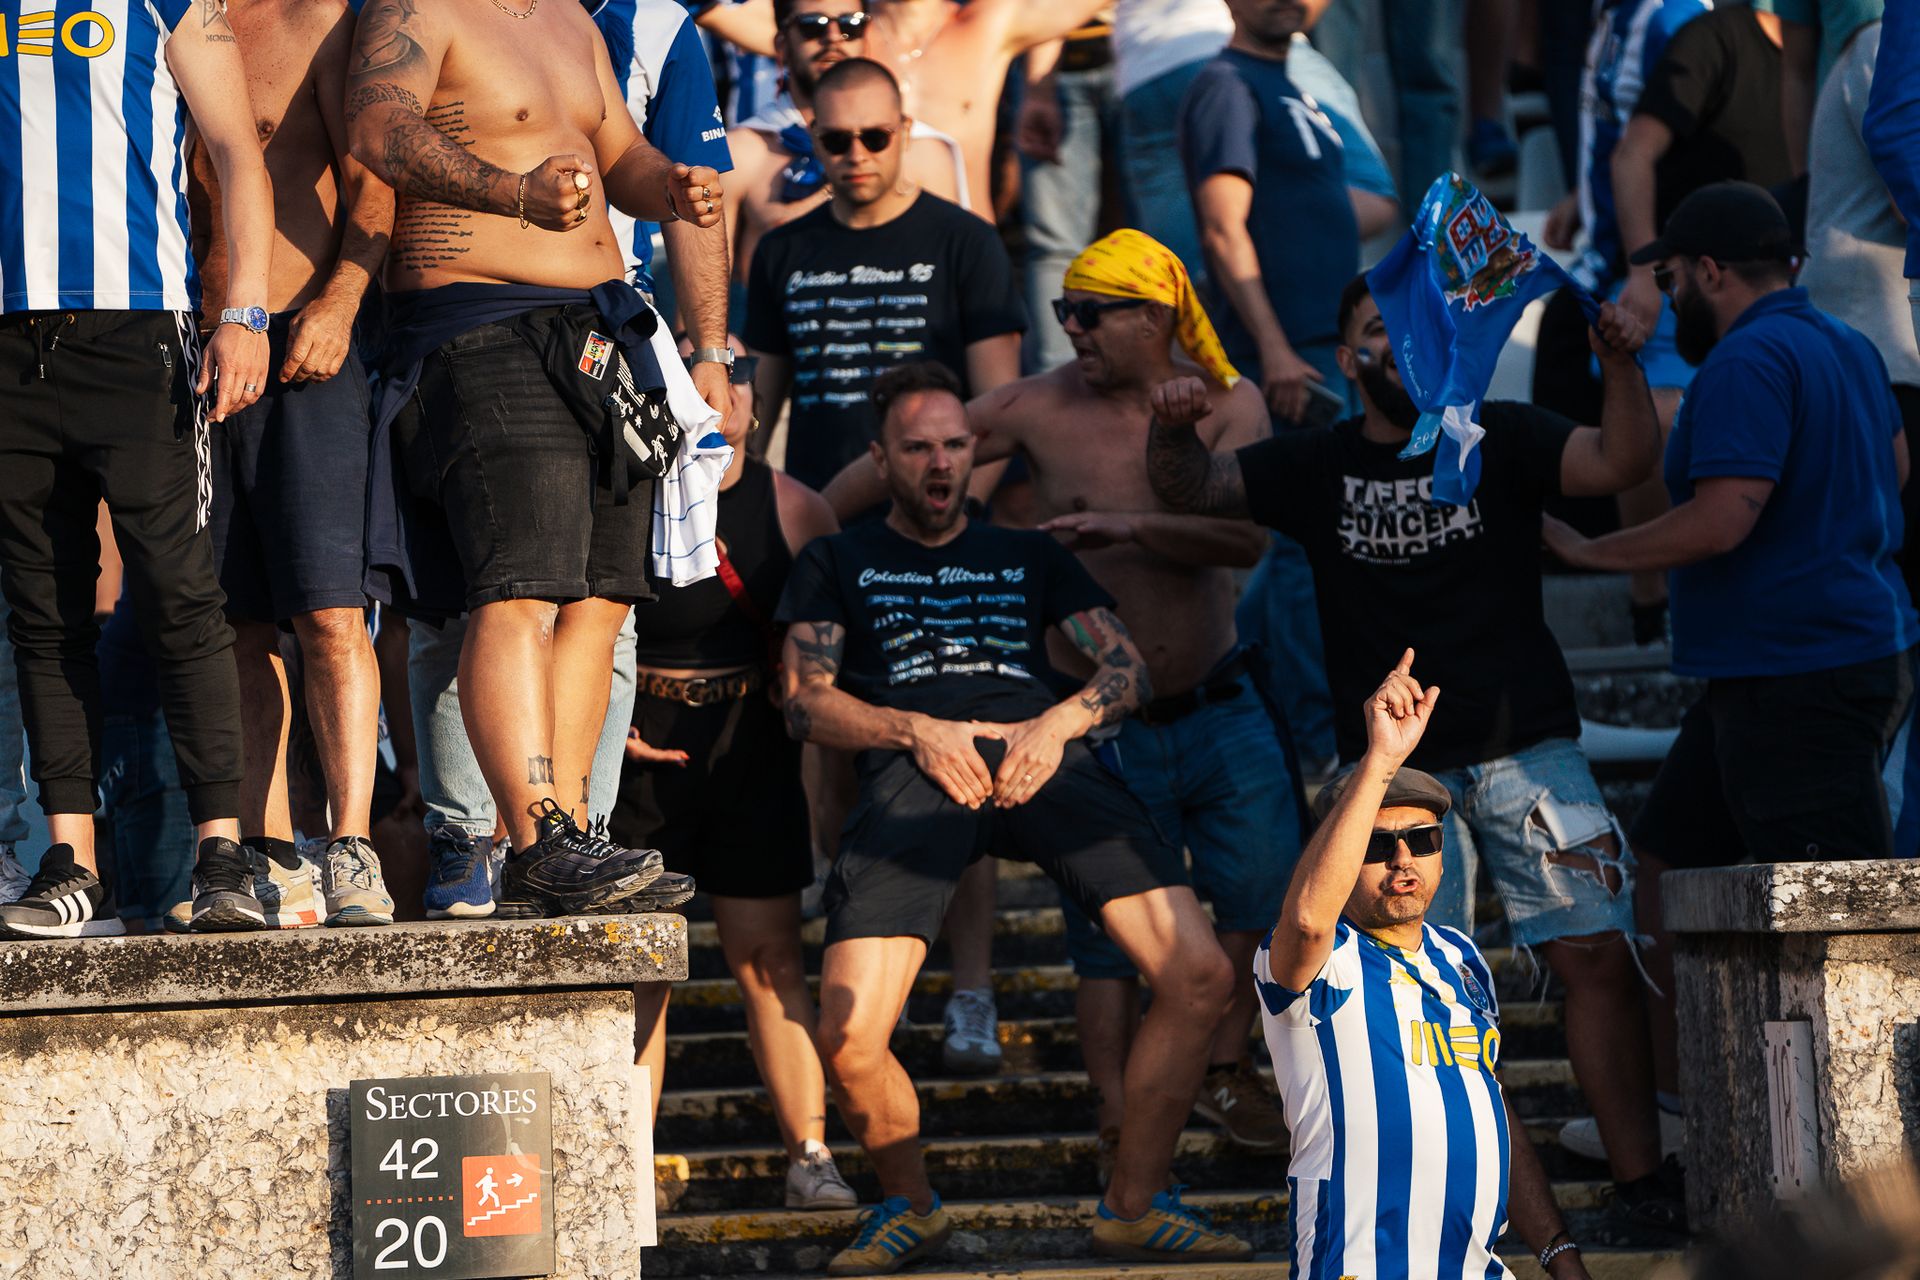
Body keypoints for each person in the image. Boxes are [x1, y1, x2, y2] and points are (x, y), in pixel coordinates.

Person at [1145, 275, 1689, 1232]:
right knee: (1420, 995)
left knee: (1598, 955)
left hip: (1531, 750)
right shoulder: (1316, 462)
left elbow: (1622, 459)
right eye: (1376, 333)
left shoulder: (1503, 434)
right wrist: (1173, 424)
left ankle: (1643, 1183)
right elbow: (1194, 485)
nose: (1401, 349)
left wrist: (1619, 362)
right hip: (1394, 780)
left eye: (1418, 332)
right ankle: (1469, 1200)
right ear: (1348, 356)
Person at [822, 228, 1298, 1158]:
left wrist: (1130, 524)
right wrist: (793, 522)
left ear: (1153, 315)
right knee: (1103, 948)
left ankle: (1222, 1070)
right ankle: (1116, 1114)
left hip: (1216, 696)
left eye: (1091, 312)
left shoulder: (1230, 404)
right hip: (1090, 719)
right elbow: (913, 456)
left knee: (1258, 902)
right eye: (1062, 310)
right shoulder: (1038, 407)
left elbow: (1247, 546)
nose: (1072, 328)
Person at [777, 362, 1252, 1273]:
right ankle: (911, 1207)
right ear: (881, 459)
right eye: (917, 448)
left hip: (1044, 751)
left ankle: (1134, 1206)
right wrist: (913, 728)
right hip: (918, 765)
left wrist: (1060, 720)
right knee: (847, 1035)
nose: (941, 463)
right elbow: (805, 703)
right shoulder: (839, 559)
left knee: (1198, 975)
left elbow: (1127, 673)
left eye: (956, 444)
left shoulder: (1028, 551)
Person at [1543, 180, 1918, 1148]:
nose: (1668, 301)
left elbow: (1723, 517)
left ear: (1709, 270)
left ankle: (1868, 1163)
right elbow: (1899, 467)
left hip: (1800, 673)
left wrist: (1589, 554)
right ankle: (1676, 1110)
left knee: (1839, 920)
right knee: (1664, 864)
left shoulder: (1748, 360)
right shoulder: (1847, 345)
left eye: (1670, 280)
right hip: (1796, 667)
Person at [344, 0, 724, 916]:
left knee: (600, 600)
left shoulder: (571, 20)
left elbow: (615, 152)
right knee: (519, 590)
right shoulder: (417, 7)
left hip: (597, 329)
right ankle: (531, 834)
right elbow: (377, 128)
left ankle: (576, 835)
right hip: (478, 324)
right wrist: (510, 194)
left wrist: (668, 184)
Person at [0, 0, 271, 940]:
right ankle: (69, 862)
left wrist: (245, 312)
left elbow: (236, 147)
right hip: (7, 339)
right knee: (42, 609)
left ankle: (223, 854)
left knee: (179, 593)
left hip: (139, 328)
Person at [1257, 651, 1598, 1280]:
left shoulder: (1461, 958)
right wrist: (1380, 761)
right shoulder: (1318, 958)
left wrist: (1557, 1251)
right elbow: (1308, 918)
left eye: (1424, 839)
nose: (1403, 858)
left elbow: (1488, 1104)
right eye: (1376, 844)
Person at [617, 335, 857, 1211]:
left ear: (757, 401)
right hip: (642, 749)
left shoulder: (796, 507)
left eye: (738, 381)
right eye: (700, 380)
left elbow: (824, 650)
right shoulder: (631, 491)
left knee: (770, 961)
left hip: (749, 744)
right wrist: (609, 724)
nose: (722, 397)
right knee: (644, 969)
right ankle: (630, 1166)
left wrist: (824, 792)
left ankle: (810, 1154)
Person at [191, 0, 395, 930]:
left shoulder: (322, 18)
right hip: (185, 359)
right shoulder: (149, 23)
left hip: (304, 346)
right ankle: (272, 851)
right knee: (227, 622)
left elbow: (374, 184)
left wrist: (341, 303)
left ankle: (350, 844)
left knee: (327, 611)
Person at [1180, 0, 1364, 776]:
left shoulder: (1298, 83)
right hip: (1291, 360)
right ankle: (1314, 743)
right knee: (1303, 550)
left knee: (1304, 550)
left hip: (1328, 353)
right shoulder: (1226, 84)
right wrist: (1276, 349)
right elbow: (1224, 228)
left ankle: (1252, 699)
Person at [745, 58, 1024, 492]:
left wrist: (962, 514)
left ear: (906, 131)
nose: (857, 155)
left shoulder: (968, 241)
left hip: (938, 517)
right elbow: (757, 414)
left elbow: (1001, 409)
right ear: (815, 139)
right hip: (822, 521)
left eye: (876, 137)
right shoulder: (781, 249)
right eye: (837, 140)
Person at [1604, 0, 1790, 640]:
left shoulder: (1828, 52)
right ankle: (1648, 595)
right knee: (1659, 416)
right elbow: (1632, 155)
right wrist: (1641, 270)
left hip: (1771, 287)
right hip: (1684, 281)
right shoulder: (1711, 38)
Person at [724, 0, 967, 292]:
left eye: (851, 25)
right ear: (781, 44)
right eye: (812, 25)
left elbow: (955, 286)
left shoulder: (922, 151)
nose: (833, 38)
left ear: (867, 36)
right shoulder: (740, 152)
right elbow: (701, 312)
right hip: (780, 334)